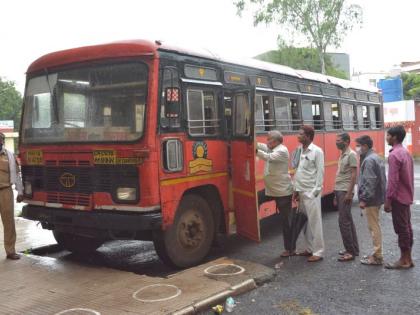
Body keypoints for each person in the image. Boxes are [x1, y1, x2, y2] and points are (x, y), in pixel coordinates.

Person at [257, 130, 294, 257]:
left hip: (282, 191)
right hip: (271, 189)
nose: (267, 142)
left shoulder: (282, 151)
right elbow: (264, 147)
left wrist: (255, 151)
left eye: (269, 140)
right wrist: (254, 143)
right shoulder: (273, 147)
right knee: (256, 198)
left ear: (277, 141)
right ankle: (254, 228)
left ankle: (289, 249)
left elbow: (268, 157)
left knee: (286, 221)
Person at [384, 125, 415, 269]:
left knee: (401, 228)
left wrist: (388, 200)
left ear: (394, 137)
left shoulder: (394, 155)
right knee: (407, 227)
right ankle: (408, 258)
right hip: (406, 196)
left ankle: (404, 259)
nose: (386, 137)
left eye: (388, 135)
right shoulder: (405, 152)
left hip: (398, 198)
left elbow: (393, 181)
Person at [293, 125, 325, 262]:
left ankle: (318, 251)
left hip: (310, 192)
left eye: (300, 134)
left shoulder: (317, 151)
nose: (298, 136)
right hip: (301, 191)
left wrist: (315, 192)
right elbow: (298, 171)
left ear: (308, 136)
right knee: (305, 222)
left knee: (315, 222)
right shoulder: (299, 150)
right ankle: (309, 248)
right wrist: (295, 190)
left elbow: (320, 172)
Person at [356, 135, 386, 266]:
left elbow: (369, 181)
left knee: (373, 227)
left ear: (365, 146)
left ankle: (378, 255)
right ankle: (377, 253)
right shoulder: (375, 157)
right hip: (378, 197)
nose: (357, 148)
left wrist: (364, 199)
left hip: (372, 200)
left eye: (359, 145)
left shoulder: (368, 160)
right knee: (375, 225)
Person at [334, 133, 359, 262]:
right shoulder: (343, 154)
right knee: (347, 220)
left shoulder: (351, 155)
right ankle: (353, 248)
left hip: (345, 191)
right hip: (340, 190)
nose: (336, 142)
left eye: (339, 140)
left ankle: (350, 251)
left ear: (346, 141)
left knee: (343, 222)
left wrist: (349, 193)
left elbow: (354, 175)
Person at [0, 132, 24, 260]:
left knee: (9, 222)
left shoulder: (9, 156)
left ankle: (10, 251)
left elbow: (17, 176)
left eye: (0, 138)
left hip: (5, 191)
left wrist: (20, 192)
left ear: (2, 141)